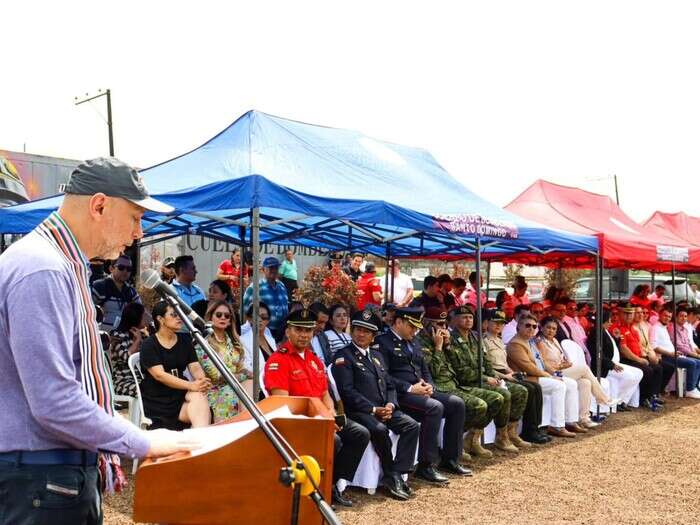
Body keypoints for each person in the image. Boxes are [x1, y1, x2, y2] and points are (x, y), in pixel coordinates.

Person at [0, 157, 200, 523]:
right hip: (40, 478)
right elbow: (54, 400)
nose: (139, 233)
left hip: (45, 476)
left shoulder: (56, 263)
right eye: (135, 217)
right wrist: (144, 442)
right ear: (99, 205)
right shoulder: (42, 268)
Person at [264, 308, 370, 507]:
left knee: (360, 434)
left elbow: (325, 395)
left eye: (308, 331)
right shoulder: (278, 361)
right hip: (300, 422)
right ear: (288, 331)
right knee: (335, 440)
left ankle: (332, 485)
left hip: (323, 418)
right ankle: (318, 489)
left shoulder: (314, 361)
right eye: (299, 330)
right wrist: (324, 419)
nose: (304, 335)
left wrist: (329, 414)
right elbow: (284, 404)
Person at [332, 310, 421, 500]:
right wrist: (373, 409)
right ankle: (390, 474)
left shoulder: (377, 356)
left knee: (412, 426)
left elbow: (389, 384)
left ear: (373, 336)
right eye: (357, 329)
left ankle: (398, 472)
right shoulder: (344, 356)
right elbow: (347, 392)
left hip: (384, 408)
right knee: (379, 429)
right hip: (359, 411)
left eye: (366, 331)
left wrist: (390, 404)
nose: (360, 334)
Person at [375, 307, 467, 483]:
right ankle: (426, 465)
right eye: (411, 326)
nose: (415, 330)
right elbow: (383, 376)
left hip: (421, 391)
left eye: (416, 327)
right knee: (434, 408)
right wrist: (410, 388)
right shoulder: (382, 342)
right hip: (401, 395)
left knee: (456, 403)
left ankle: (450, 459)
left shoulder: (414, 341)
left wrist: (430, 386)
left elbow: (424, 368)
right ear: (399, 322)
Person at [446, 306, 531, 453]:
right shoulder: (451, 340)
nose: (468, 320)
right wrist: (487, 378)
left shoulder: (475, 337)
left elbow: (486, 363)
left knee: (521, 390)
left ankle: (506, 434)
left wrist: (494, 376)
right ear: (455, 320)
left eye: (470, 317)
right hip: (466, 383)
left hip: (483, 379)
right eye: (464, 317)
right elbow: (461, 371)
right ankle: (475, 438)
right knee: (501, 395)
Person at [140, 301, 212, 430]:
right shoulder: (149, 344)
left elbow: (194, 366)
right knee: (198, 399)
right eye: (174, 314)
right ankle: (202, 442)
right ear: (160, 319)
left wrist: (201, 381)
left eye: (179, 314)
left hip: (179, 394)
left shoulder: (185, 340)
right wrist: (191, 385)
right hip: (158, 399)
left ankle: (200, 440)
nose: (179, 317)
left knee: (198, 395)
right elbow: (159, 375)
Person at [483, 309, 550, 444]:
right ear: (486, 323)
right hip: (495, 376)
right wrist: (506, 376)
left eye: (501, 323)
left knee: (535, 387)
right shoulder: (483, 341)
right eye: (495, 322)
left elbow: (504, 363)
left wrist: (511, 373)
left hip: (506, 373)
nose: (498, 325)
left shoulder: (500, 341)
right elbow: (488, 366)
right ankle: (526, 431)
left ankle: (534, 429)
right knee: (529, 389)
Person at [537, 316, 617, 429]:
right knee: (584, 369)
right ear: (541, 328)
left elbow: (561, 358)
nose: (551, 331)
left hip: (561, 369)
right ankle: (603, 398)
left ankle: (583, 418)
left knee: (585, 382)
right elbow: (543, 363)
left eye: (554, 329)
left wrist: (565, 363)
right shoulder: (539, 342)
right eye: (548, 328)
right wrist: (560, 366)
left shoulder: (554, 341)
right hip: (550, 373)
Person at [506, 314, 578, 438]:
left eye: (534, 326)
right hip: (527, 378)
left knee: (571, 383)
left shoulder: (530, 342)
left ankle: (569, 421)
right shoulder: (516, 344)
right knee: (558, 386)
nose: (531, 329)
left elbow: (542, 363)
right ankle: (556, 425)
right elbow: (528, 367)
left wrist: (554, 374)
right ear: (518, 327)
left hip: (539, 376)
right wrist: (549, 376)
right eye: (527, 325)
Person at [196, 301, 253, 422]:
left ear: (230, 321)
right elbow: (216, 376)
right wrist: (243, 374)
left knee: (252, 383)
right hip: (215, 389)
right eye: (219, 315)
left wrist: (247, 373)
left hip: (235, 386)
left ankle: (247, 424)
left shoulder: (233, 342)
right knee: (232, 393)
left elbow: (239, 367)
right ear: (210, 317)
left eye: (227, 316)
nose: (223, 318)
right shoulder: (203, 342)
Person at [587, 310, 644, 410]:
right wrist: (612, 365)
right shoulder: (596, 332)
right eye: (608, 321)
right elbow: (598, 354)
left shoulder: (604, 330)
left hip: (613, 363)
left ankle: (622, 401)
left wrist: (616, 338)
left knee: (639, 372)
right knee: (629, 376)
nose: (610, 323)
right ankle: (616, 402)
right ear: (603, 320)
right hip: (604, 366)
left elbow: (611, 348)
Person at [612, 306, 666, 411]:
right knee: (648, 370)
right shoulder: (618, 328)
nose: (628, 316)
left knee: (658, 368)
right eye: (626, 313)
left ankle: (652, 396)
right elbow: (623, 349)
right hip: (626, 359)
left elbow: (639, 346)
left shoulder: (633, 328)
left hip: (637, 357)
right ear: (621, 314)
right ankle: (644, 398)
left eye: (631, 314)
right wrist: (639, 359)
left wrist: (646, 356)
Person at [242, 256, 289, 342]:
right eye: (271, 268)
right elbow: (245, 310)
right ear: (263, 270)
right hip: (264, 332)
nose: (274, 270)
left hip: (282, 332)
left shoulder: (282, 286)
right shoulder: (255, 287)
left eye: (276, 267)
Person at [91, 253, 141, 331]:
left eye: (129, 269)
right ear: (111, 268)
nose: (125, 271)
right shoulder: (99, 286)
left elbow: (140, 313)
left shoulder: (131, 292)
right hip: (102, 338)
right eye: (121, 267)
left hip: (124, 338)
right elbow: (85, 311)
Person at [109, 302, 147, 397]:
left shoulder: (141, 334)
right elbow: (126, 358)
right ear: (135, 318)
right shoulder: (117, 336)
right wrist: (137, 341)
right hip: (122, 382)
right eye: (143, 316)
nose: (146, 318)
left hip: (140, 379)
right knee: (146, 391)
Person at [665, 306, 700, 396]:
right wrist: (694, 354)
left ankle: (694, 386)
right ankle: (689, 389)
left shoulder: (684, 328)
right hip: (675, 354)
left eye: (685, 316)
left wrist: (695, 353)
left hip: (686, 353)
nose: (684, 318)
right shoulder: (672, 328)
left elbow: (688, 343)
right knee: (693, 363)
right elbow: (679, 346)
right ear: (676, 317)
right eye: (681, 316)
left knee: (698, 362)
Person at [240, 303, 277, 372]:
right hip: (258, 380)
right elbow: (246, 367)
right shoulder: (243, 341)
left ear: (268, 320)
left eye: (264, 317)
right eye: (256, 316)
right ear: (249, 319)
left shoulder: (271, 340)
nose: (260, 320)